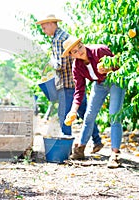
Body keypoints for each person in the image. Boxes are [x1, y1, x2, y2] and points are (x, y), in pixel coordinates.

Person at [36, 14, 103, 153]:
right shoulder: (58, 37)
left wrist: (49, 64)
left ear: (51, 23)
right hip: (73, 82)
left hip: (68, 83)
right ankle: (97, 140)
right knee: (84, 112)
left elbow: (62, 63)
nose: (43, 30)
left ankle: (65, 148)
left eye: (44, 27)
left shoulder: (59, 39)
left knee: (65, 114)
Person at [62, 36, 125, 168]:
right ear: (71, 55)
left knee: (114, 115)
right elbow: (79, 90)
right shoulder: (77, 66)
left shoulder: (99, 51)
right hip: (100, 84)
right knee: (89, 115)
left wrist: (108, 69)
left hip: (115, 81)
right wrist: (73, 111)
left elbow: (120, 66)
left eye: (79, 46)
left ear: (82, 44)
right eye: (74, 51)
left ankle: (115, 154)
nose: (79, 51)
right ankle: (81, 148)